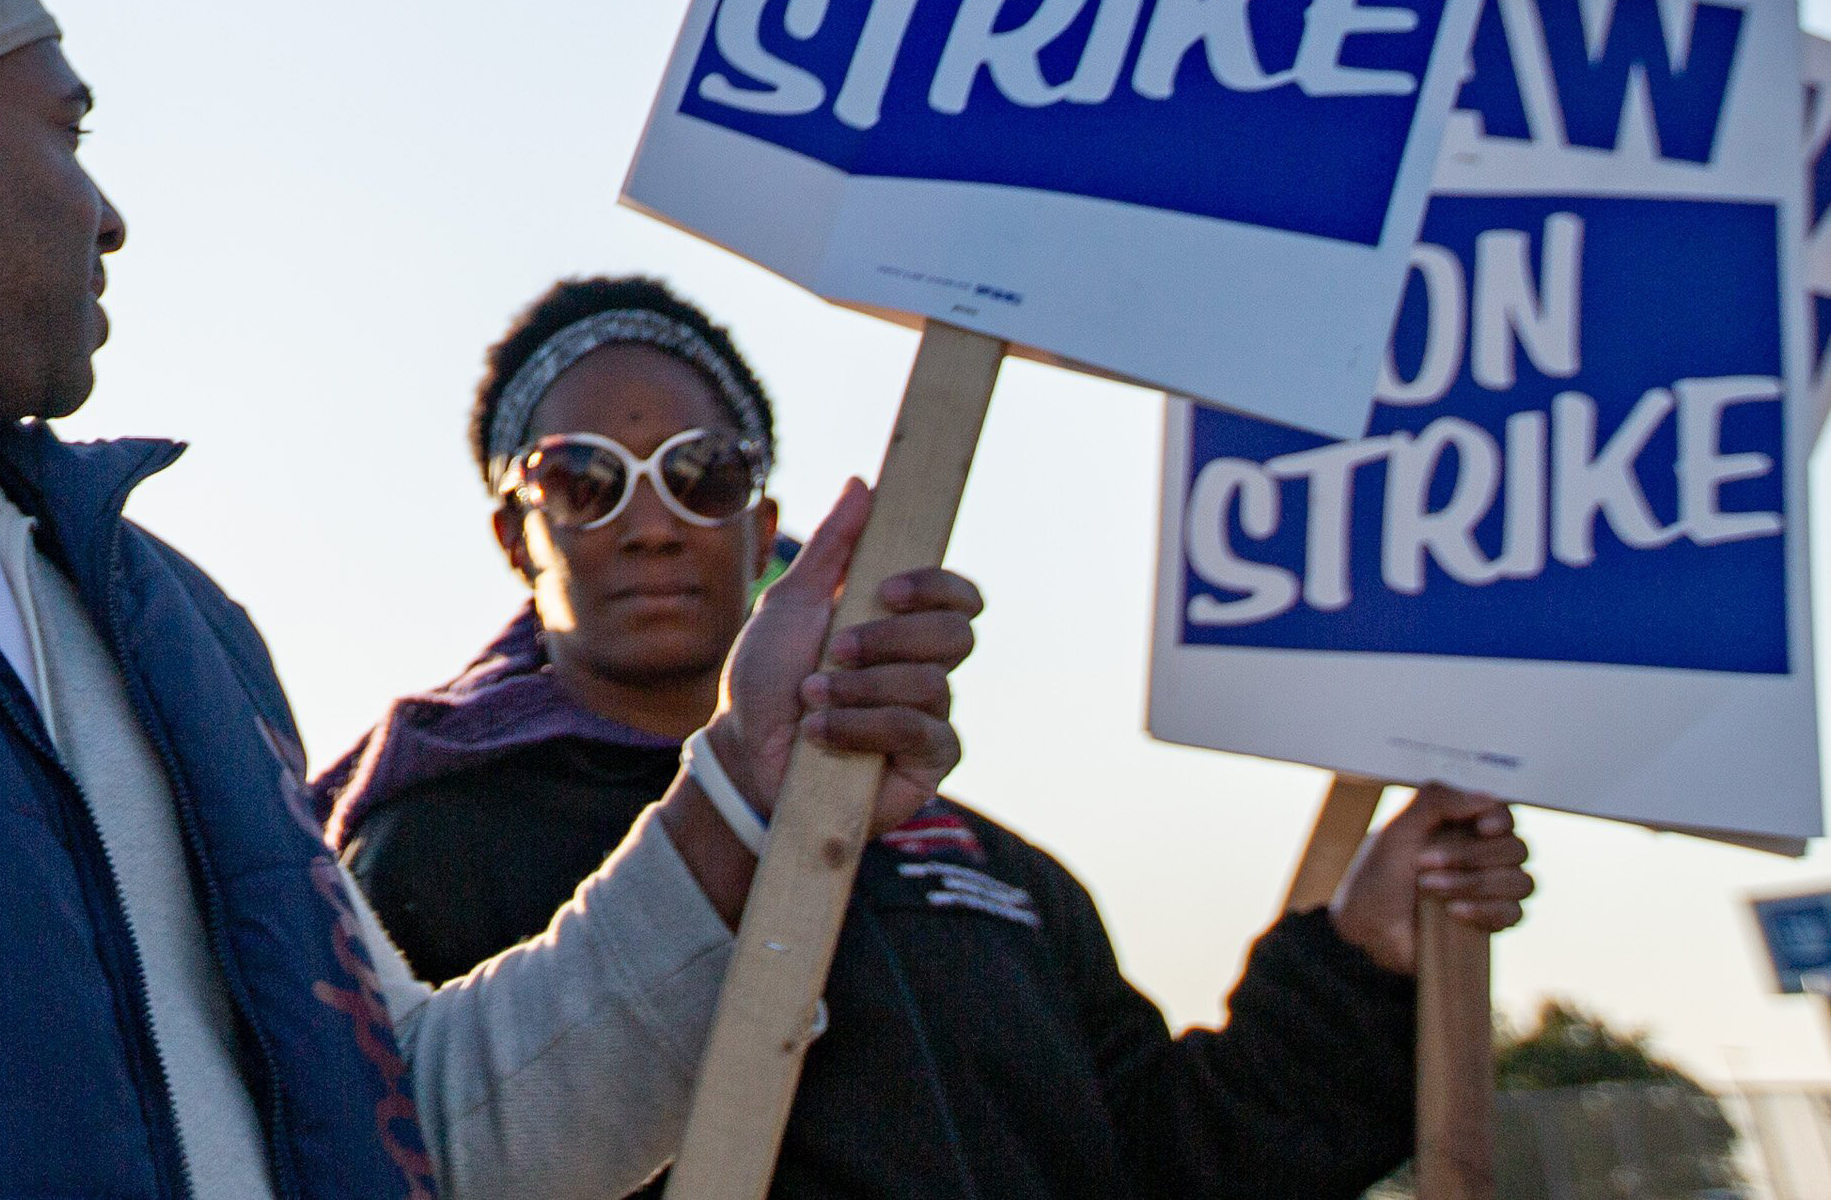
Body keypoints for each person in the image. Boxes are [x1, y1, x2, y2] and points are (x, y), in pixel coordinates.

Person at [0, 0, 989, 1200]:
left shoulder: (169, 622)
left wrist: (748, 783)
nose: (109, 212)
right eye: (69, 129)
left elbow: (418, 1133)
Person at [324, 272, 1538, 1200]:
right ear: (513, 534)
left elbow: (1172, 1162)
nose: (652, 523)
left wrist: (1358, 951)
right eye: (585, 478)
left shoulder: (979, 866)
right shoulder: (429, 850)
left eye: (702, 471)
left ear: (767, 520)